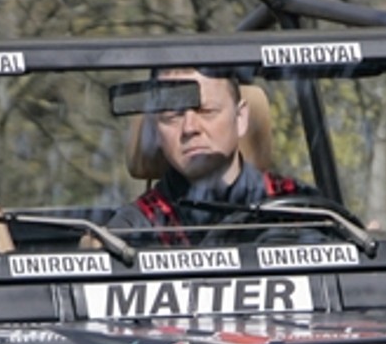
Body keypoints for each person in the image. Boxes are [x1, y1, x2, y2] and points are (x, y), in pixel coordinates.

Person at [107, 68, 306, 246]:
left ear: (240, 118)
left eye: (206, 111)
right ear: (155, 132)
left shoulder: (299, 209)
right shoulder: (136, 230)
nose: (190, 128)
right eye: (172, 116)